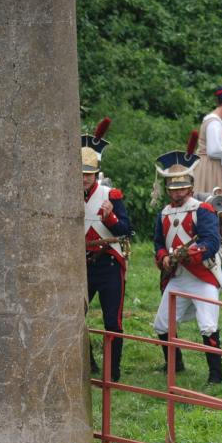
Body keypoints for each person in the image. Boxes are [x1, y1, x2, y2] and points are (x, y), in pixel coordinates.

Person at [152, 151, 222, 384]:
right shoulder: (163, 213)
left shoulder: (202, 209)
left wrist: (188, 254)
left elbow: (211, 243)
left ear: (190, 187)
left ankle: (216, 375)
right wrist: (163, 257)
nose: (177, 192)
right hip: (178, 276)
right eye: (173, 188)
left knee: (208, 326)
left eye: (181, 188)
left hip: (202, 275)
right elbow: (157, 243)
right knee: (162, 323)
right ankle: (175, 364)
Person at [83, 145, 132, 383]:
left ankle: (113, 373)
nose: (84, 178)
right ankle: (87, 363)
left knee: (113, 320)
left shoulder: (110, 195)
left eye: (88, 174)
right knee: (76, 316)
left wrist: (110, 217)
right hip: (81, 266)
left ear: (95, 174)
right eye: (80, 173)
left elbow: (125, 230)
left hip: (109, 263)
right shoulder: (63, 194)